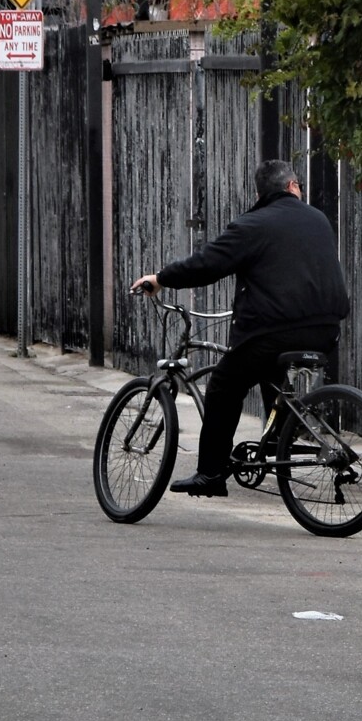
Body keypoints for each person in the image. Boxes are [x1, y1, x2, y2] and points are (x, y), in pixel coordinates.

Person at [130, 158, 350, 498]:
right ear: (292, 187)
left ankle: (210, 475)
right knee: (269, 373)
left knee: (224, 384)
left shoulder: (253, 224)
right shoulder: (318, 219)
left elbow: (207, 264)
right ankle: (278, 447)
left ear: (260, 193)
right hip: (326, 330)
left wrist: (161, 278)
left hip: (274, 332)